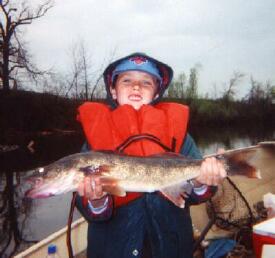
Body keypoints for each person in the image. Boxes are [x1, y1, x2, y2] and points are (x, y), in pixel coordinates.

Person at [75, 52, 227, 258]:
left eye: (146, 82)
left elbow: (191, 195)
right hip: (115, 248)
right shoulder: (95, 139)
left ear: (156, 93)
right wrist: (96, 200)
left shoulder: (179, 135)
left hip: (170, 247)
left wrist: (202, 183)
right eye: (127, 80)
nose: (136, 87)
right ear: (113, 89)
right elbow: (88, 208)